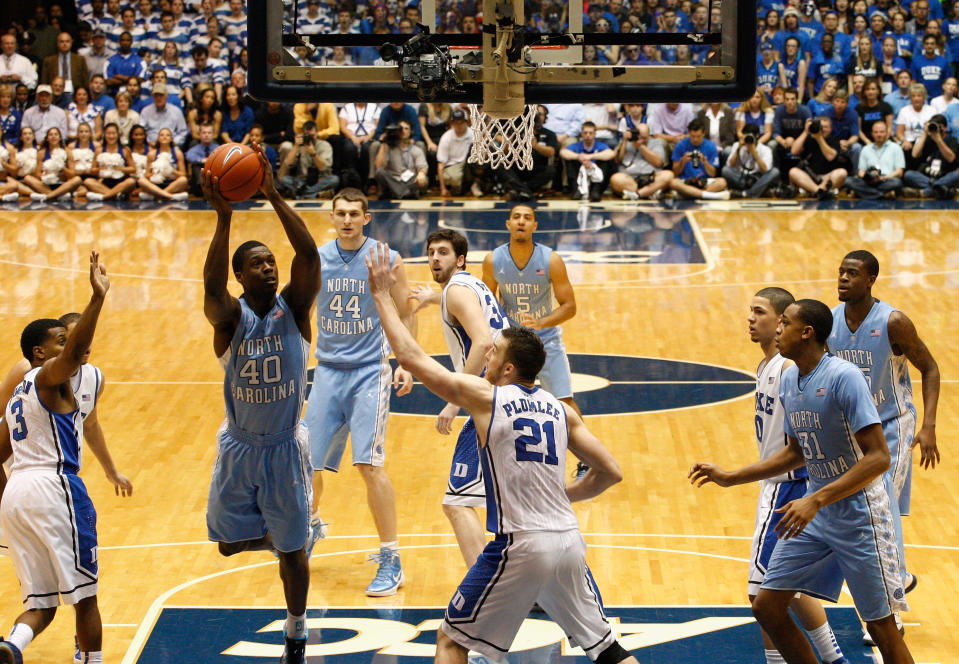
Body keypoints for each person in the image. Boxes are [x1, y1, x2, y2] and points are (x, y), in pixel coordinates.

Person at [365, 242, 637, 664]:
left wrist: (382, 296)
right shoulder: (562, 410)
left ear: (508, 369)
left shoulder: (487, 397)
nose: (487, 352)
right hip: (568, 542)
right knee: (607, 650)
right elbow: (611, 472)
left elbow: (411, 357)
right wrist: (566, 495)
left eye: (495, 351)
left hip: (521, 545)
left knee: (452, 641)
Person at [689, 298, 913, 664]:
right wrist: (732, 476)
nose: (777, 329)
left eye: (785, 323)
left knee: (882, 628)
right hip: (818, 515)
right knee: (767, 606)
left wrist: (816, 499)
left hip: (860, 516)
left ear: (806, 332)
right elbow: (796, 451)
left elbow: (878, 457)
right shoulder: (791, 378)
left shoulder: (844, 378)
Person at [201, 144, 319, 664]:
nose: (269, 268)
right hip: (240, 447)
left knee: (292, 554)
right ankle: (286, 533)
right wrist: (224, 216)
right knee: (227, 545)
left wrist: (271, 192)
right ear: (241, 277)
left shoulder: (295, 309)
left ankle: (296, 630)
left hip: (284, 447)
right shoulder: (230, 321)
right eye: (257, 264)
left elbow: (309, 257)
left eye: (271, 261)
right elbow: (210, 286)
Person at [689, 287, 848, 664]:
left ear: (782, 323)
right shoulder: (767, 367)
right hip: (791, 484)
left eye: (758, 312)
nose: (750, 318)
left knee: (761, 596)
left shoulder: (788, 368)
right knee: (790, 589)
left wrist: (731, 475)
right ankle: (833, 658)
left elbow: (799, 445)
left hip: (789, 487)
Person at [0, 252, 123, 664]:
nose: (67, 347)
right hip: (55, 486)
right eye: (59, 341)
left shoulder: (20, 396)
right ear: (39, 353)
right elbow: (74, 353)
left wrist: (6, 498)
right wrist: (97, 299)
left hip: (17, 492)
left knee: (44, 599)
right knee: (86, 595)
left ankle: (11, 646)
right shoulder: (47, 376)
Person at [303, 187, 416, 596]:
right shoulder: (316, 258)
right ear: (331, 217)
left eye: (354, 213)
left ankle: (391, 558)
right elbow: (305, 313)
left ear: (367, 217)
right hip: (328, 370)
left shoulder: (386, 259)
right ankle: (311, 526)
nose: (347, 220)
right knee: (306, 464)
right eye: (340, 214)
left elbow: (405, 312)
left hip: (370, 372)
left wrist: (406, 362)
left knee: (369, 465)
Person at [828, 250, 940, 642]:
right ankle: (901, 577)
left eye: (852, 273)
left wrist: (927, 426)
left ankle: (891, 615)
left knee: (880, 512)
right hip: (855, 431)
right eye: (841, 272)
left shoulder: (892, 322)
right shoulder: (829, 322)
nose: (843, 278)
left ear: (871, 279)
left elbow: (929, 367)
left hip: (893, 425)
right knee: (863, 512)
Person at [411, 229, 509, 568]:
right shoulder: (472, 286)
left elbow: (483, 342)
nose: (435, 258)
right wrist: (431, 298)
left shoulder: (456, 291)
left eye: (443, 252)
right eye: (431, 252)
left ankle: (485, 588)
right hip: (511, 395)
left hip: (488, 401)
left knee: (457, 502)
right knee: (510, 503)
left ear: (461, 259)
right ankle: (529, 582)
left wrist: (455, 401)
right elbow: (468, 310)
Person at [609, 121, 674, 200]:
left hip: (651, 179)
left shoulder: (657, 142)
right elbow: (618, 160)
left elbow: (658, 163)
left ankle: (638, 194)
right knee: (615, 178)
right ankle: (649, 193)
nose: (642, 140)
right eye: (640, 137)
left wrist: (640, 147)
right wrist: (624, 141)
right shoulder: (626, 141)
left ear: (649, 136)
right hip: (631, 180)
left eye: (644, 138)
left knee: (668, 175)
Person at [669, 117, 730, 200]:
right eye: (693, 136)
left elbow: (713, 174)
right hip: (686, 181)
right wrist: (682, 161)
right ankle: (707, 195)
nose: (695, 139)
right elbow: (675, 173)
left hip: (705, 181)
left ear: (703, 134)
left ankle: (691, 195)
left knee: (722, 182)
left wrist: (704, 162)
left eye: (698, 136)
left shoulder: (711, 146)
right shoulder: (680, 145)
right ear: (689, 133)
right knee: (673, 182)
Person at [788, 116, 848, 199]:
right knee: (793, 171)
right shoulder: (808, 138)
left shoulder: (834, 141)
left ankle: (815, 191)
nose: (823, 129)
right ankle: (819, 191)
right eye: (821, 127)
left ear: (830, 129)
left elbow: (830, 157)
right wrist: (805, 132)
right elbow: (793, 151)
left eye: (826, 127)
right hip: (809, 177)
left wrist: (819, 138)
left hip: (827, 177)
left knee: (842, 173)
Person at [277, 120, 339, 199]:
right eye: (307, 135)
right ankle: (315, 194)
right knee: (284, 179)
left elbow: (323, 167)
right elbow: (288, 164)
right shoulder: (300, 146)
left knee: (334, 180)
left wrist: (313, 154)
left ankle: (302, 194)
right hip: (303, 180)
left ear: (316, 133)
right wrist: (296, 146)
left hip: (320, 179)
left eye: (312, 135)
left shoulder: (325, 145)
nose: (310, 138)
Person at [903, 113, 959, 196]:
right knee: (909, 174)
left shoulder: (952, 140)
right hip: (928, 178)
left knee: (957, 174)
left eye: (938, 126)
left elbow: (951, 158)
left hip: (946, 175)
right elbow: (914, 154)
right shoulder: (929, 139)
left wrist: (938, 140)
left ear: (945, 127)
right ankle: (942, 189)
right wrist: (925, 133)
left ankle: (925, 192)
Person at [845, 121, 905, 198]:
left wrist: (882, 178)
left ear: (887, 133)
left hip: (886, 179)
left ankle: (863, 193)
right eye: (876, 132)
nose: (879, 134)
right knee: (849, 181)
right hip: (869, 181)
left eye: (881, 132)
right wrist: (869, 178)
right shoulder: (866, 149)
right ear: (872, 134)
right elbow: (861, 172)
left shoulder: (896, 148)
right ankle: (883, 195)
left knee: (897, 182)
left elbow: (899, 172)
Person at [722, 122, 781, 198]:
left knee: (775, 172)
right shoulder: (737, 145)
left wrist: (754, 152)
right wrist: (739, 149)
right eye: (745, 135)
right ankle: (758, 191)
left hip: (758, 179)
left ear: (757, 136)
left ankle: (746, 193)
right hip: (741, 178)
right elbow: (730, 164)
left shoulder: (765, 149)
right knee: (725, 170)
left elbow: (765, 170)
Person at [373, 120, 428, 199]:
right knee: (379, 172)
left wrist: (421, 173)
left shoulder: (416, 150)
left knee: (424, 178)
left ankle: (397, 193)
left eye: (406, 129)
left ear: (410, 132)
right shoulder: (388, 148)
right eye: (401, 129)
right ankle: (404, 193)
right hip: (393, 180)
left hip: (409, 181)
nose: (403, 131)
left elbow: (423, 167)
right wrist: (383, 143)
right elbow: (379, 166)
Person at [84, 121, 135, 200]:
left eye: (114, 133)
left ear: (118, 134)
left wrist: (120, 168)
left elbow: (133, 169)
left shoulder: (125, 150)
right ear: (104, 135)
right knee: (88, 181)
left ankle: (104, 196)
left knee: (131, 181)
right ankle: (115, 195)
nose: (111, 136)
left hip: (121, 182)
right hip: (104, 182)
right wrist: (100, 169)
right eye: (108, 133)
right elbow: (92, 170)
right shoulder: (99, 150)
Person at [137, 127, 188, 201]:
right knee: (141, 180)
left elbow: (183, 174)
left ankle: (156, 196)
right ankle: (171, 196)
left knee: (183, 180)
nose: (164, 137)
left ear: (171, 139)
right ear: (158, 138)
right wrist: (157, 173)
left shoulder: (178, 153)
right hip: (156, 183)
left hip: (171, 182)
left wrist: (171, 170)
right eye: (162, 135)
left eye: (167, 135)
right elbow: (147, 175)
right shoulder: (152, 154)